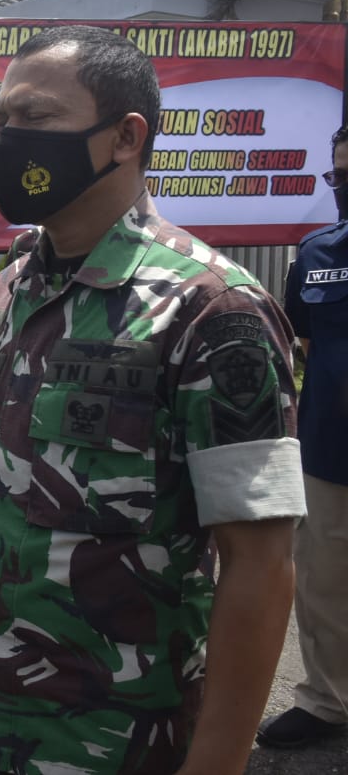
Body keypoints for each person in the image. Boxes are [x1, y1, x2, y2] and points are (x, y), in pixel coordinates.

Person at [0, 25, 305, 775]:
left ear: (126, 135)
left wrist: (218, 762)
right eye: (4, 122)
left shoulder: (213, 310)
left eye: (33, 119)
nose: (6, 142)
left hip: (124, 735)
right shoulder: (8, 290)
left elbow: (260, 563)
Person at [255, 125, 348, 750]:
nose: (344, 186)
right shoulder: (315, 253)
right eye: (338, 175)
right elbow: (309, 346)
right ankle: (328, 700)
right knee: (324, 581)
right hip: (330, 448)